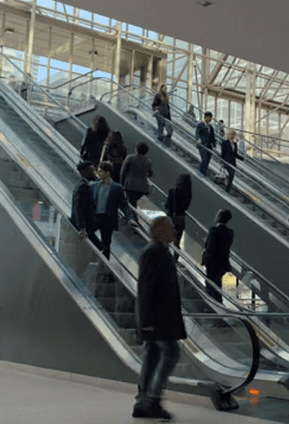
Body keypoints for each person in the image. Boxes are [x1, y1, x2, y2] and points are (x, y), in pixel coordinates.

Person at [133, 216, 186, 420]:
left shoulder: (160, 251)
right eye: (170, 227)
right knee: (171, 353)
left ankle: (142, 401)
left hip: (158, 318)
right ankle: (151, 400)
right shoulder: (153, 252)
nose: (174, 231)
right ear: (161, 230)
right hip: (157, 319)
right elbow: (145, 289)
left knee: (153, 355)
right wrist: (146, 322)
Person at [91, 161, 133, 259]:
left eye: (101, 171)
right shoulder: (94, 186)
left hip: (107, 218)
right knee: (89, 232)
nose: (98, 173)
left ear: (108, 173)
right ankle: (99, 248)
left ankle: (105, 264)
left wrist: (130, 218)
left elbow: (124, 205)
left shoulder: (117, 188)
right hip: (95, 216)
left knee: (106, 242)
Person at [201, 209, 234, 303]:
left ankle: (211, 302)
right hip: (223, 262)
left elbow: (210, 246)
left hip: (212, 262)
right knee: (218, 282)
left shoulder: (214, 230)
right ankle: (219, 301)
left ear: (219, 217)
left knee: (210, 282)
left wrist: (206, 260)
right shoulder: (230, 232)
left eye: (217, 214)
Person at [70, 161, 102, 251]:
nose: (94, 173)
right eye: (91, 170)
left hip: (88, 226)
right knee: (100, 248)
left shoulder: (83, 185)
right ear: (84, 172)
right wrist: (82, 228)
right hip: (85, 227)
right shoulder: (83, 187)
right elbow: (79, 208)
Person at [120, 142, 154, 212]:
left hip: (130, 185)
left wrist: (122, 183)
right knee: (133, 202)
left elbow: (122, 172)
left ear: (136, 149)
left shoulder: (130, 158)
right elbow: (151, 174)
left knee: (130, 203)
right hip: (142, 188)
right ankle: (133, 216)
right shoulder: (148, 161)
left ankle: (132, 218)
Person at [165, 174, 192, 250]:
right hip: (181, 218)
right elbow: (186, 207)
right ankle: (175, 257)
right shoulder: (188, 193)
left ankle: (165, 254)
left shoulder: (172, 190)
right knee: (177, 241)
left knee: (166, 238)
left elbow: (168, 204)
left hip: (171, 217)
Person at [220, 129, 244, 193]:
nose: (232, 136)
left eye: (234, 135)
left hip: (233, 162)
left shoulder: (235, 144)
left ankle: (228, 189)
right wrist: (222, 161)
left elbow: (235, 154)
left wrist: (242, 158)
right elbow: (223, 152)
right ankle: (226, 188)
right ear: (228, 135)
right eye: (231, 134)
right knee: (230, 174)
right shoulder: (224, 142)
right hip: (227, 161)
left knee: (231, 176)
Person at [195, 111, 216, 176]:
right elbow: (197, 133)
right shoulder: (200, 125)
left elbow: (212, 137)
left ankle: (204, 171)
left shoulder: (211, 127)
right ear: (206, 117)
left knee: (208, 159)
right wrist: (198, 139)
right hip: (202, 144)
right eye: (210, 118)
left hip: (209, 146)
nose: (210, 119)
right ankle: (201, 172)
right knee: (204, 158)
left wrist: (214, 144)